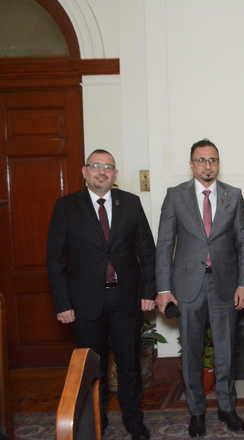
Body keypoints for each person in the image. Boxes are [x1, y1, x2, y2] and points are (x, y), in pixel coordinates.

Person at [47, 149, 154, 440]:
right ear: (85, 171)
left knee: (129, 365)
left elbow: (147, 250)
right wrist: (63, 303)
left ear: (115, 174)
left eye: (108, 167)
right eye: (96, 166)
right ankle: (97, 420)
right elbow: (55, 260)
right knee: (93, 368)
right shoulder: (66, 207)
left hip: (125, 301)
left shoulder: (130, 203)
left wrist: (148, 291)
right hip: (85, 304)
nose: (102, 172)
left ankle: (134, 421)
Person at [154, 139, 244, 437]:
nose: (207, 166)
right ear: (192, 164)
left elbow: (243, 244)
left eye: (213, 160)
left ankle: (227, 408)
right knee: (191, 353)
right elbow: (165, 244)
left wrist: (243, 283)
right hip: (187, 287)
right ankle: (196, 412)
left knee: (225, 353)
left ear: (218, 163)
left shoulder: (233, 195)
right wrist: (163, 289)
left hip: (224, 286)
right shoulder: (176, 196)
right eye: (201, 160)